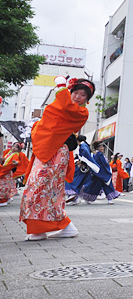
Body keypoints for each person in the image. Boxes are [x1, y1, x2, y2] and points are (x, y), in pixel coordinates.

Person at [19, 77, 92, 240]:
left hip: (57, 152)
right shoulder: (64, 106)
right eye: (76, 92)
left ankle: (47, 229)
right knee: (43, 190)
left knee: (40, 189)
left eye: (83, 95)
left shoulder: (81, 112)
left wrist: (61, 87)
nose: (78, 97)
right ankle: (59, 227)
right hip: (48, 150)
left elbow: (66, 107)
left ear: (87, 100)